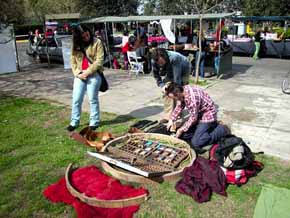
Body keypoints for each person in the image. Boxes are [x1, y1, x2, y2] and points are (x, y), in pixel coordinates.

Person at [165, 82, 229, 150]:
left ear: (177, 93)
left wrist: (181, 130)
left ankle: (221, 129)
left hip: (208, 115)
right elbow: (180, 105)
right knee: (184, 135)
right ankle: (206, 130)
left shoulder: (192, 99)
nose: (174, 100)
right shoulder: (184, 90)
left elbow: (193, 118)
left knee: (196, 143)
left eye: (174, 98)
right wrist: (171, 120)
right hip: (199, 113)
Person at [67, 25, 104, 132]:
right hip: (79, 75)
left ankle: (94, 121)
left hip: (93, 74)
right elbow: (73, 60)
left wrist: (87, 72)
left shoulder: (97, 42)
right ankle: (74, 121)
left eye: (87, 34)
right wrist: (77, 73)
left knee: (93, 99)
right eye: (83, 37)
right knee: (76, 99)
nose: (86, 37)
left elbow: (99, 61)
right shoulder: (75, 44)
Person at [151, 48, 191, 121]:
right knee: (166, 90)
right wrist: (162, 85)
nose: (160, 65)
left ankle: (178, 111)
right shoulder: (154, 60)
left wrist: (175, 89)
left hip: (184, 68)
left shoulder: (174, 58)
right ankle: (168, 114)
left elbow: (177, 80)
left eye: (161, 63)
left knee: (179, 91)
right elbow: (156, 75)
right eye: (159, 63)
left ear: (165, 57)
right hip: (169, 69)